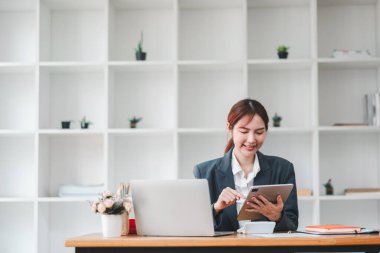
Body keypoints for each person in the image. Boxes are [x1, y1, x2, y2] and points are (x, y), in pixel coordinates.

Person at [193, 98, 298, 232]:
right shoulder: (204, 172)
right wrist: (217, 207)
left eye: (259, 132)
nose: (251, 140)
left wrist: (277, 216)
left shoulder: (283, 169)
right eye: (244, 131)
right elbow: (196, 227)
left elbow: (292, 225)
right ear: (229, 128)